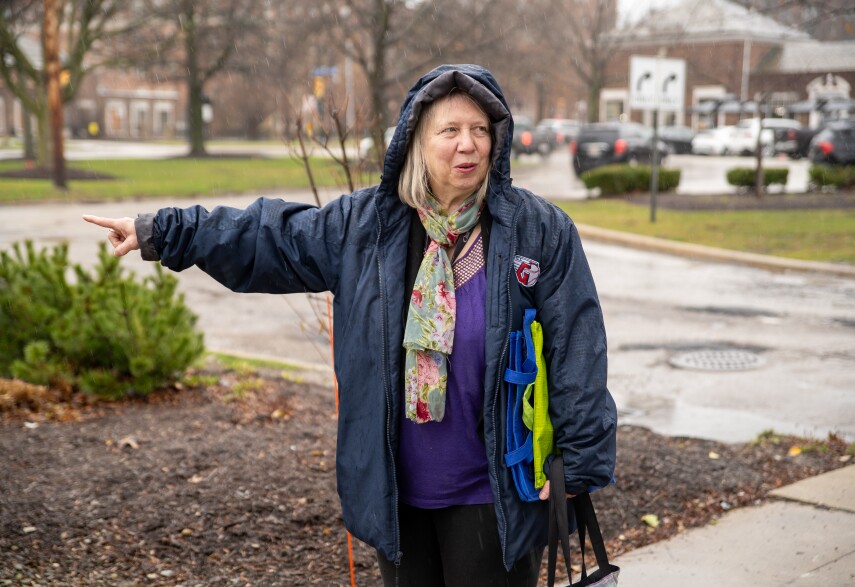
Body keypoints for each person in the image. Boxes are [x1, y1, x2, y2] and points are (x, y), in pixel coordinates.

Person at [83, 64, 617, 587]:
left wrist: (581, 457)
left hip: (495, 492)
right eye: (450, 130)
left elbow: (578, 343)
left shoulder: (538, 230)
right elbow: (269, 237)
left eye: (480, 130)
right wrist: (165, 232)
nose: (468, 144)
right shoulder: (366, 227)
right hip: (396, 495)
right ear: (415, 140)